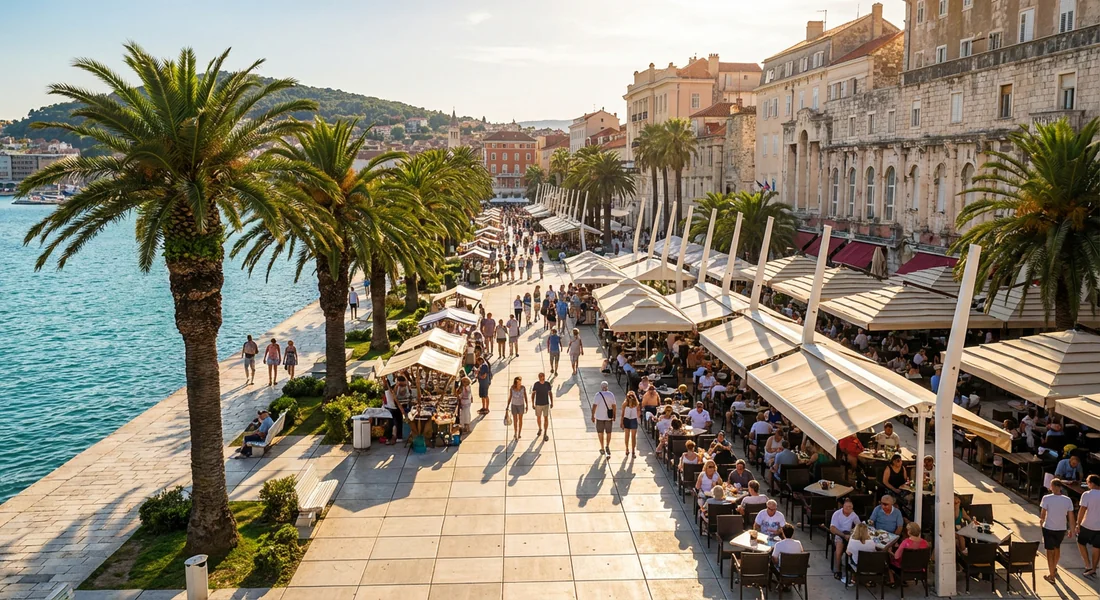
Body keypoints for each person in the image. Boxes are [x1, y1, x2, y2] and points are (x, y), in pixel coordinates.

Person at [1040, 478, 1077, 583]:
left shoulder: (1046, 498)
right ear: (1060, 487)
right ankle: (1054, 568)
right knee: (1057, 548)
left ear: (1052, 487)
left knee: (1049, 551)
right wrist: (1072, 530)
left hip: (1049, 527)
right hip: (1061, 528)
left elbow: (1042, 515)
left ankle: (1051, 575)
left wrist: (1041, 523)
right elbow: (1071, 517)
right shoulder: (1067, 500)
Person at [889, 522, 928, 587]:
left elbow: (896, 557)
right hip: (920, 568)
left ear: (909, 531)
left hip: (905, 568)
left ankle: (892, 582)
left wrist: (890, 552)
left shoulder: (905, 542)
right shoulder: (925, 543)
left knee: (888, 562)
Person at [1076, 474, 1100, 578]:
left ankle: (1087, 565)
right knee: (1097, 547)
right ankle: (1094, 569)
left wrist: (1078, 524)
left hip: (1087, 524)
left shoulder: (1086, 494)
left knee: (1081, 542)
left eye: (1088, 482)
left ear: (1092, 483)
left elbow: (1082, 510)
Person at [830, 498, 862, 578]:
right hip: (839, 533)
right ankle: (838, 570)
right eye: (846, 507)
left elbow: (859, 526)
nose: (848, 509)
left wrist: (852, 533)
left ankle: (855, 567)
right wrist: (843, 535)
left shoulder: (853, 515)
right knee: (839, 548)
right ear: (843, 506)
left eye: (850, 507)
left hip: (849, 534)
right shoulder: (837, 514)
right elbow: (832, 528)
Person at [592, 381, 617, 456]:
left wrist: (592, 415)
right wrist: (614, 415)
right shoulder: (611, 395)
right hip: (608, 417)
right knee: (608, 432)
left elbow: (594, 406)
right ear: (607, 387)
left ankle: (602, 447)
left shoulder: (598, 395)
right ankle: (607, 445)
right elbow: (614, 406)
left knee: (600, 432)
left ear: (601, 387)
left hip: (599, 417)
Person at [532, 372, 553, 442]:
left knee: (546, 418)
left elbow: (550, 393)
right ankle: (540, 428)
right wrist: (533, 403)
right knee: (538, 418)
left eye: (543, 376)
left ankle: (545, 433)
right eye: (540, 376)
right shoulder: (536, 384)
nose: (542, 378)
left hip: (546, 403)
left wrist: (552, 402)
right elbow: (533, 394)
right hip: (538, 404)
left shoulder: (547, 384)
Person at [507, 376, 528, 441]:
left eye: (520, 383)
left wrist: (527, 405)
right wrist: (507, 405)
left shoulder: (523, 388)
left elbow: (525, 396)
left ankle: (519, 433)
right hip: (514, 405)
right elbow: (510, 397)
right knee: (515, 420)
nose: (520, 384)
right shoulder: (512, 388)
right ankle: (515, 433)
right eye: (518, 383)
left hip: (521, 405)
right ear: (515, 383)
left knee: (520, 419)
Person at [621, 391, 641, 458]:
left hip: (633, 420)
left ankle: (632, 451)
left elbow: (639, 411)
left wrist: (637, 416)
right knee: (627, 436)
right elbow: (622, 414)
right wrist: (621, 422)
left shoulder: (636, 404)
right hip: (627, 419)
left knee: (633, 436)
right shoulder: (625, 404)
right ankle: (627, 449)